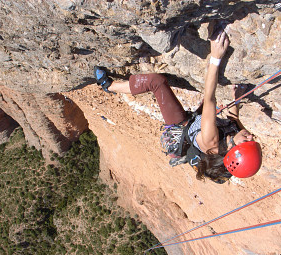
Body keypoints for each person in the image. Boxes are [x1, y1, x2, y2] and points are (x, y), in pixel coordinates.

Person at [94, 29, 262, 183]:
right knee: (206, 106)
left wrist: (216, 56)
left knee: (156, 82)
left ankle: (109, 86)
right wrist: (237, 99)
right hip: (197, 120)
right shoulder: (237, 138)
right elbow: (234, 119)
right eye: (252, 140)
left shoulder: (212, 141)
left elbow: (210, 97)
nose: (251, 137)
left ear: (233, 149)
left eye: (247, 141)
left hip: (181, 125)